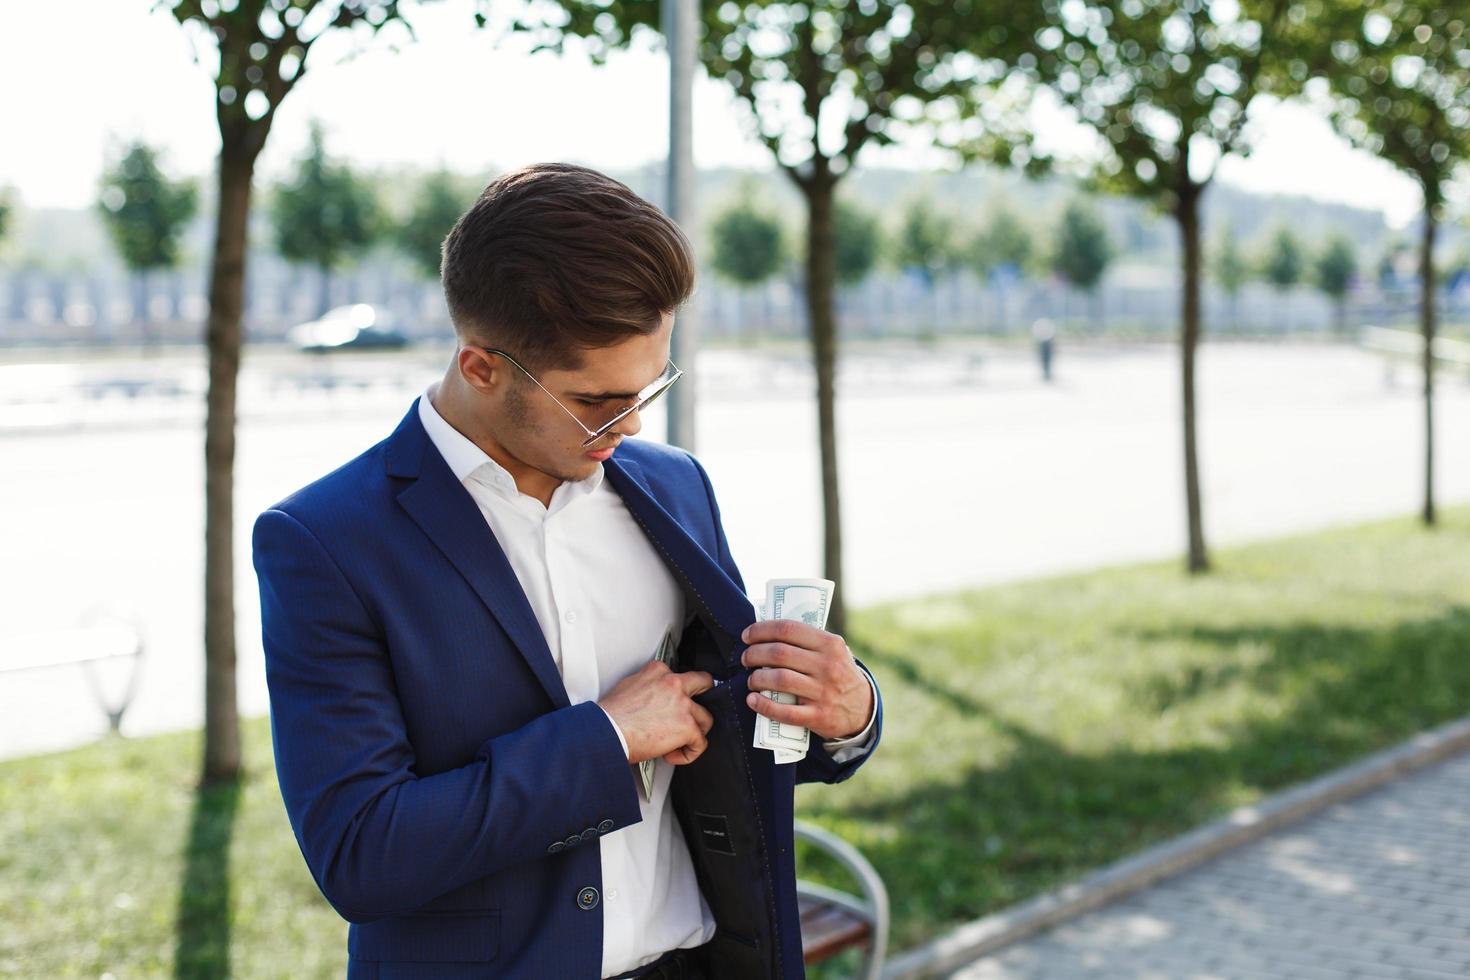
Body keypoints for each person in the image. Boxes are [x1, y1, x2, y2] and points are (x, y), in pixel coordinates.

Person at [253, 162, 883, 980]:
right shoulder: (324, 541)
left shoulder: (674, 486)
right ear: (481, 367)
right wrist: (609, 737)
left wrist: (846, 710)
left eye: (647, 386)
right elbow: (363, 853)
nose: (630, 424)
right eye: (595, 401)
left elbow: (737, 718)